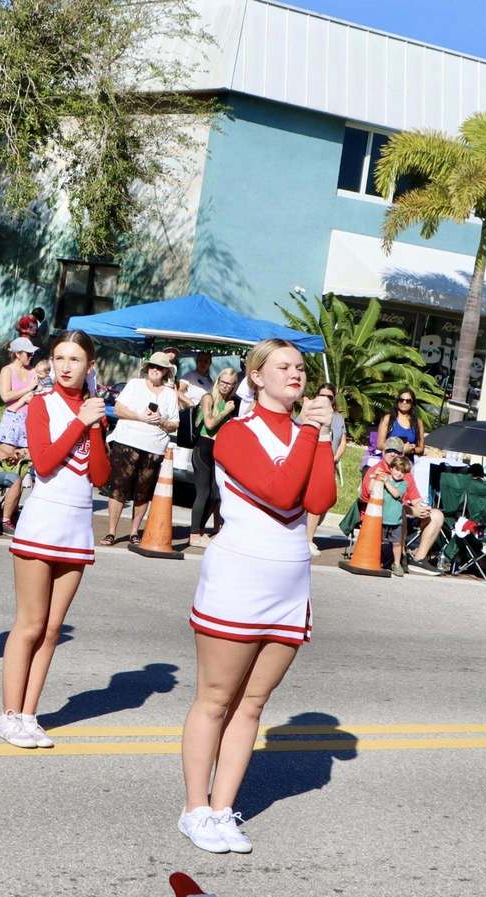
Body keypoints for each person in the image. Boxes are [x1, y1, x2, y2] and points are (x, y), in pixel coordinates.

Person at [179, 338, 336, 854]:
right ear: (256, 376)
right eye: (283, 366)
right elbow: (281, 491)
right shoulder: (236, 432)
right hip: (239, 578)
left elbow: (319, 498)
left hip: (289, 582)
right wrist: (310, 432)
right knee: (215, 699)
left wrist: (319, 437)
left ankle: (223, 809)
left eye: (300, 367)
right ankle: (195, 808)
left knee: (252, 704)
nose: (296, 374)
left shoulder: (305, 433)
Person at [0, 330, 110, 748]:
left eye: (75, 359)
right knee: (29, 624)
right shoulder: (42, 403)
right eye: (60, 358)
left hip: (77, 527)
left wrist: (93, 425)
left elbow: (100, 475)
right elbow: (43, 462)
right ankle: (9, 714)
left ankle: (30, 714)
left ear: (89, 366)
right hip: (43, 521)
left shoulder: (93, 409)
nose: (66, 366)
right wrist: (80, 423)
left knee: (51, 629)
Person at [101, 352, 180, 545]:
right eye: (152, 366)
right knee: (118, 488)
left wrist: (161, 420)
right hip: (127, 442)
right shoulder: (134, 384)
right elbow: (118, 409)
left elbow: (175, 424)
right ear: (147, 368)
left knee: (143, 492)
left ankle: (134, 532)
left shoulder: (170, 394)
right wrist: (139, 416)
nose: (155, 369)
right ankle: (111, 532)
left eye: (160, 367)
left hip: (154, 447)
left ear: (166, 372)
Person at [360, 436, 443, 575]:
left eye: (397, 452)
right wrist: (412, 510)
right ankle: (401, 558)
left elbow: (416, 499)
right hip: (378, 516)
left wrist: (423, 508)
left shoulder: (405, 474)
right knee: (401, 513)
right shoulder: (376, 471)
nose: (393, 454)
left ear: (402, 454)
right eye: (389, 451)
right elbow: (374, 500)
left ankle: (419, 558)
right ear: (383, 452)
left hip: (400, 514)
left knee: (437, 515)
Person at [189, 368, 239, 548]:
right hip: (203, 447)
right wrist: (225, 412)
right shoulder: (208, 398)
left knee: (216, 495)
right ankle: (194, 534)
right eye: (223, 382)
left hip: (219, 450)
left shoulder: (231, 402)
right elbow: (209, 423)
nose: (225, 386)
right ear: (218, 381)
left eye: (230, 384)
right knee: (203, 492)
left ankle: (200, 530)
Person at [304, 383, 347, 556]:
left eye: (329, 396)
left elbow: (342, 440)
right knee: (315, 501)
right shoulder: (310, 411)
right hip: (312, 463)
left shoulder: (338, 418)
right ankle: (307, 539)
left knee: (326, 502)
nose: (325, 399)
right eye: (322, 395)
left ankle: (308, 535)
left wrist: (335, 458)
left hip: (330, 463)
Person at [0, 337, 39, 450]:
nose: (31, 356)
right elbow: (5, 396)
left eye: (32, 353)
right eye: (28, 353)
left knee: (27, 456)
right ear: (18, 354)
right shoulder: (7, 370)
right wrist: (28, 388)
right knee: (6, 455)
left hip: (31, 419)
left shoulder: (33, 371)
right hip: (12, 419)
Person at [376, 454, 412, 576]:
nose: (399, 473)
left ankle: (396, 564)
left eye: (402, 472)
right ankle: (376, 560)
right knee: (378, 541)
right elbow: (371, 488)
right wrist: (376, 476)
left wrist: (386, 482)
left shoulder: (403, 484)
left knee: (397, 544)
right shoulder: (384, 478)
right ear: (391, 468)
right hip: (381, 518)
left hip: (396, 520)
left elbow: (396, 494)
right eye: (397, 469)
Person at [377, 388, 425, 458]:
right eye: (401, 400)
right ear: (397, 401)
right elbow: (380, 445)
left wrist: (411, 450)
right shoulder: (388, 418)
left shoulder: (418, 422)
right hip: (389, 460)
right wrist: (400, 448)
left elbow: (421, 448)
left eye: (408, 401)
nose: (404, 402)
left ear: (412, 403)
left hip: (407, 461)